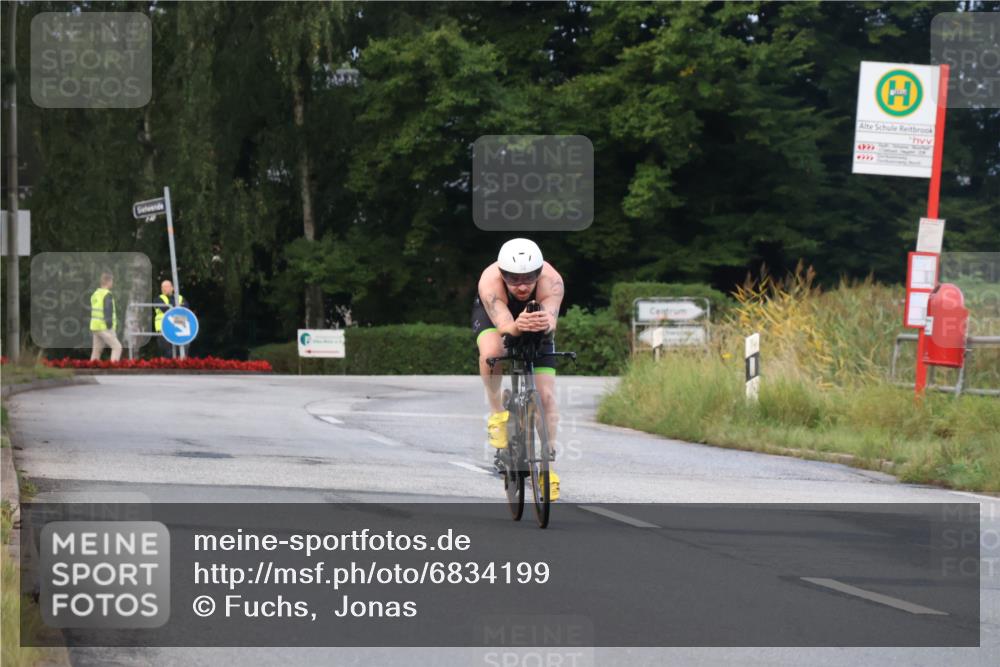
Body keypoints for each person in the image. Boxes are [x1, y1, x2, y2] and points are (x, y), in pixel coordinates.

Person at [472, 238, 565, 500]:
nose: (522, 286)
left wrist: (540, 323)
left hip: (535, 318)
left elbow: (550, 323)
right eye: (513, 279)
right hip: (498, 316)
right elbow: (506, 328)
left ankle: (548, 470)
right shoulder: (489, 282)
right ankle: (497, 414)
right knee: (493, 353)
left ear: (539, 272)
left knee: (546, 398)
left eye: (529, 278)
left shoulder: (552, 281)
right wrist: (516, 325)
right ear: (502, 274)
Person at [90, 272, 122, 362]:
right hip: (104, 326)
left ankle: (92, 370)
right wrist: (109, 325)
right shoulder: (107, 294)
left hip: (95, 326)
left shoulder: (95, 294)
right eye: (112, 281)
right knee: (117, 347)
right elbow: (107, 310)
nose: (112, 283)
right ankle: (113, 369)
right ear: (108, 281)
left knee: (96, 351)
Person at [154, 280, 189, 357]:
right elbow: (164, 309)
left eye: (167, 286)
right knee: (167, 353)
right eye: (162, 287)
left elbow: (186, 309)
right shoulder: (158, 299)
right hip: (163, 329)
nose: (164, 288)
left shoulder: (180, 297)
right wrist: (177, 307)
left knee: (182, 352)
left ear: (172, 288)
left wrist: (172, 306)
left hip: (180, 329)